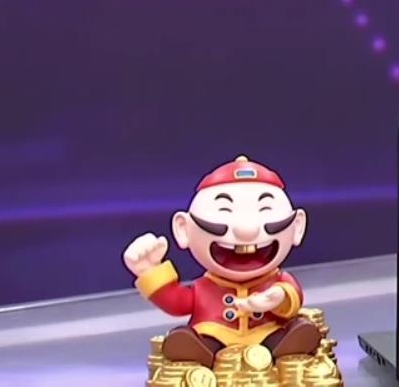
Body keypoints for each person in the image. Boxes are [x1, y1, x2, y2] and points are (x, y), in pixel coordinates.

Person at [122, 155, 324, 366]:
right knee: (192, 340)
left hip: (267, 331)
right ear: (184, 229)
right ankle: (195, 351)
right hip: (215, 334)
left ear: (297, 227)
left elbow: (292, 294)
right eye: (224, 210)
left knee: (290, 332)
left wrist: (279, 297)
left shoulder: (279, 280)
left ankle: (290, 344)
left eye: (265, 209)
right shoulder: (204, 288)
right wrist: (149, 271)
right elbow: (178, 303)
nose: (247, 230)